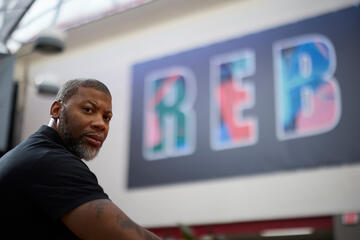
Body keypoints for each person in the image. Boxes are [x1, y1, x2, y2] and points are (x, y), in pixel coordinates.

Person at [0, 79, 161, 240]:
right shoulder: (51, 162)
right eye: (88, 110)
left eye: (107, 117)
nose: (101, 124)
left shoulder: (34, 152)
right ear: (56, 110)